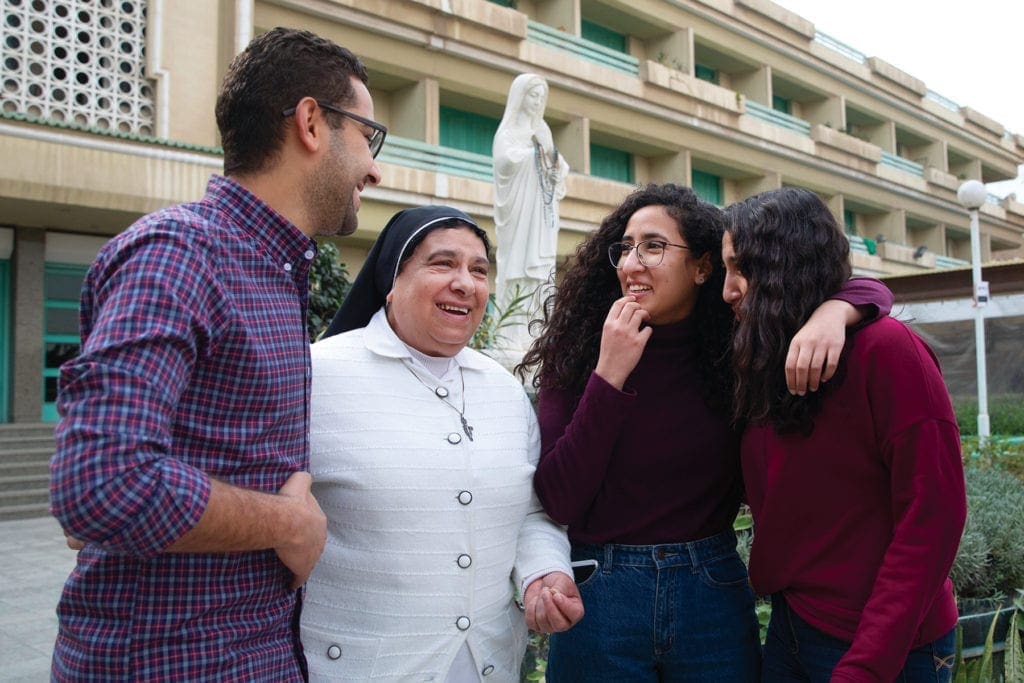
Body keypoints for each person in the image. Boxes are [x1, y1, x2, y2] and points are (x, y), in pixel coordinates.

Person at [48, 27, 383, 681]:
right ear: (312, 123)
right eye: (368, 138)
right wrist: (284, 521)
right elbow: (99, 482)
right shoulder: (181, 252)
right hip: (169, 664)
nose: (374, 168)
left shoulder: (273, 271)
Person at [516, 183, 893, 681]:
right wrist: (609, 376)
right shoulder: (583, 347)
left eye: (653, 246)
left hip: (710, 587)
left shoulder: (740, 346)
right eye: (625, 248)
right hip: (602, 589)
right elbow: (559, 499)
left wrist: (836, 311)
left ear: (701, 267)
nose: (632, 263)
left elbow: (872, 290)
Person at [305, 205, 583, 681]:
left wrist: (544, 572)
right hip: (358, 667)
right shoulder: (316, 375)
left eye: (479, 270)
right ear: (391, 280)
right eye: (443, 264)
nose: (465, 283)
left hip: (488, 665)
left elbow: (531, 513)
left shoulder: (503, 389)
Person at [722, 187, 966, 682]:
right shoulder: (765, 352)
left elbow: (933, 515)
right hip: (793, 627)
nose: (727, 290)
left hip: (888, 644)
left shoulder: (888, 352)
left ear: (786, 265)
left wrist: (869, 663)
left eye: (740, 269)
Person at [492, 73, 570, 327]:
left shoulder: (543, 129)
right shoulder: (509, 130)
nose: (537, 101)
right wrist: (530, 151)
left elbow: (559, 167)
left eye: (541, 97)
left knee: (541, 267)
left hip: (542, 211)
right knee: (518, 262)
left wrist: (548, 149)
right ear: (521, 96)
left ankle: (537, 321)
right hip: (519, 210)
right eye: (532, 95)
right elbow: (504, 163)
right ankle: (512, 323)